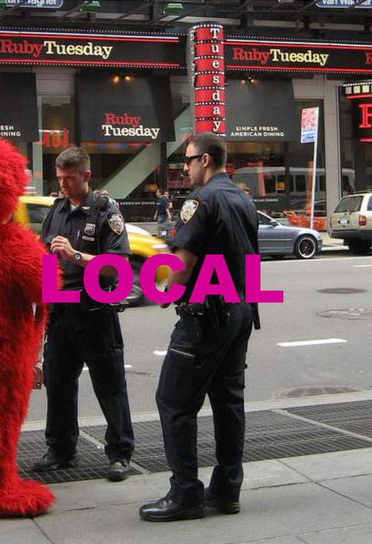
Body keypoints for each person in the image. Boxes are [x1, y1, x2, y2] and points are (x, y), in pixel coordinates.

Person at [139, 132, 259, 522]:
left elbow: (183, 262)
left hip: (206, 316)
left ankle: (185, 495)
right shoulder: (243, 197)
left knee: (173, 401)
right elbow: (252, 259)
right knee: (228, 402)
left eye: (187, 161)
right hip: (240, 310)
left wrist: (157, 289)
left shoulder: (201, 200)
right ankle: (226, 491)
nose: (184, 168)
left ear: (205, 160)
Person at [32, 147, 134, 482]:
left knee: (110, 385)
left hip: (95, 313)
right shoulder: (56, 211)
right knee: (58, 385)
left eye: (69, 178)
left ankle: (120, 455)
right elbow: (48, 263)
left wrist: (77, 255)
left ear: (86, 176)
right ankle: (61, 451)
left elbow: (117, 266)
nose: (62, 184)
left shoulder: (106, 211)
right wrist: (42, 312)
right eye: (59, 178)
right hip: (60, 315)